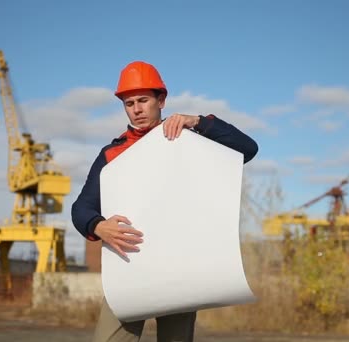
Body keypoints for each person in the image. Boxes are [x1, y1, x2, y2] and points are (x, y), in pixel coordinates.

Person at [71, 61, 258, 342]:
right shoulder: (112, 154)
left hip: (179, 268)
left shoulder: (189, 142)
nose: (136, 108)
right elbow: (81, 208)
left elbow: (247, 149)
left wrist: (197, 122)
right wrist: (98, 227)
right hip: (127, 267)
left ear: (161, 100)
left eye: (143, 100)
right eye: (129, 102)